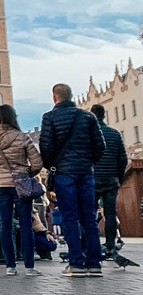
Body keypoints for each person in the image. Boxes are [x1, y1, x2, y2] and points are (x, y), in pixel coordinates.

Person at [39, 83, 105, 278]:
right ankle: (94, 263)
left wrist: (53, 165)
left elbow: (46, 147)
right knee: (89, 218)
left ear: (54, 97)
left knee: (70, 218)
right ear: (71, 96)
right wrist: (88, 161)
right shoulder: (88, 116)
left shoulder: (49, 117)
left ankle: (76, 263)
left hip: (64, 174)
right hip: (86, 173)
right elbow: (100, 145)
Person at [0, 103, 44, 277]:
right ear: (13, 118)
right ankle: (29, 267)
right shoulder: (22, 137)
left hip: (0, 186)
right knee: (26, 225)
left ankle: (10, 266)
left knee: (5, 225)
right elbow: (37, 163)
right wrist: (25, 173)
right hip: (20, 184)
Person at [90, 103, 127, 260]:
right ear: (104, 115)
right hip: (112, 179)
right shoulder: (115, 134)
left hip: (92, 179)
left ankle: (92, 245)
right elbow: (123, 159)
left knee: (90, 213)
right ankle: (111, 246)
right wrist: (118, 177)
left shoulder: (88, 134)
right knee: (110, 214)